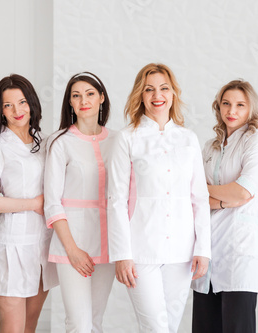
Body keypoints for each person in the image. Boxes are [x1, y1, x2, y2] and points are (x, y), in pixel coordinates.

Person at [107, 63, 211, 332]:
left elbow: (199, 198)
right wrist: (122, 254)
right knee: (155, 327)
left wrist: (203, 249)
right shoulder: (126, 139)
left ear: (173, 93)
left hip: (182, 252)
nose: (157, 95)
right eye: (149, 89)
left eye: (164, 88)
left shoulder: (188, 139)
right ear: (140, 95)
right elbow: (116, 200)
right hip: (141, 251)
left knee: (171, 327)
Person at [0, 74, 58, 333]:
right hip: (12, 245)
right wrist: (32, 203)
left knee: (29, 327)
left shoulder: (45, 142)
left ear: (32, 103)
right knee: (12, 328)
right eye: (8, 105)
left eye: (22, 102)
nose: (17, 110)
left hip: (43, 244)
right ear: (1, 110)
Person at [191, 79, 258, 333]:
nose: (231, 111)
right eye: (226, 104)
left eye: (239, 105)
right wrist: (225, 199)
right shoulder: (209, 146)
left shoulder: (254, 139)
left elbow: (245, 190)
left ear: (250, 109)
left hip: (239, 252)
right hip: (206, 251)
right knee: (205, 328)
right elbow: (192, 195)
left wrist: (210, 197)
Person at [44, 72, 115, 332]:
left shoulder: (119, 140)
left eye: (89, 94)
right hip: (70, 244)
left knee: (95, 322)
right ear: (70, 104)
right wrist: (72, 250)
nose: (83, 100)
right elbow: (52, 203)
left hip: (107, 243)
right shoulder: (60, 142)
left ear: (101, 98)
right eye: (76, 95)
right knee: (78, 323)